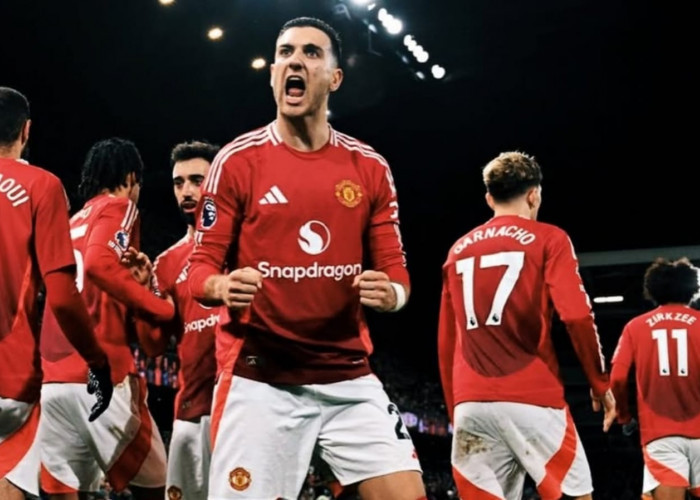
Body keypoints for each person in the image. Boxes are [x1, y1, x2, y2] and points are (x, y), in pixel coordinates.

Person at [187, 16, 426, 500]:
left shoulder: (369, 167)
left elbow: (396, 270)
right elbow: (199, 270)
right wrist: (221, 286)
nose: (295, 61)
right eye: (286, 53)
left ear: (335, 78)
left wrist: (393, 295)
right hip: (261, 377)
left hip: (348, 375)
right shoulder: (236, 161)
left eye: (311, 53)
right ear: (274, 73)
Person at [437, 151, 616, 500]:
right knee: (577, 494)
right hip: (533, 396)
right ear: (534, 195)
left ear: (489, 198)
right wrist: (598, 382)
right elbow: (577, 316)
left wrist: (455, 409)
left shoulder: (457, 250)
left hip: (471, 402)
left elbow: (447, 340)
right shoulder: (549, 238)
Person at [38, 137, 175, 499]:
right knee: (159, 488)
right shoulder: (119, 206)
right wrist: (160, 307)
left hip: (53, 381)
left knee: (65, 492)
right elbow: (99, 265)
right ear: (131, 178)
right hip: (102, 378)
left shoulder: (71, 223)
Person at [0, 86, 113, 500]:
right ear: (26, 130)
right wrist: (97, 360)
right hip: (9, 377)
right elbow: (63, 296)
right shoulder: (41, 186)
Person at [149, 140, 220, 500]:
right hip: (191, 409)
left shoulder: (249, 244)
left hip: (245, 405)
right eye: (179, 183)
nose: (186, 191)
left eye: (196, 180)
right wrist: (141, 297)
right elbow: (153, 345)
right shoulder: (165, 263)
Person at [610, 257, 700, 500]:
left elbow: (617, 379)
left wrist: (625, 417)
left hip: (662, 436)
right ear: (693, 290)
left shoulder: (635, 327)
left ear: (652, 291)